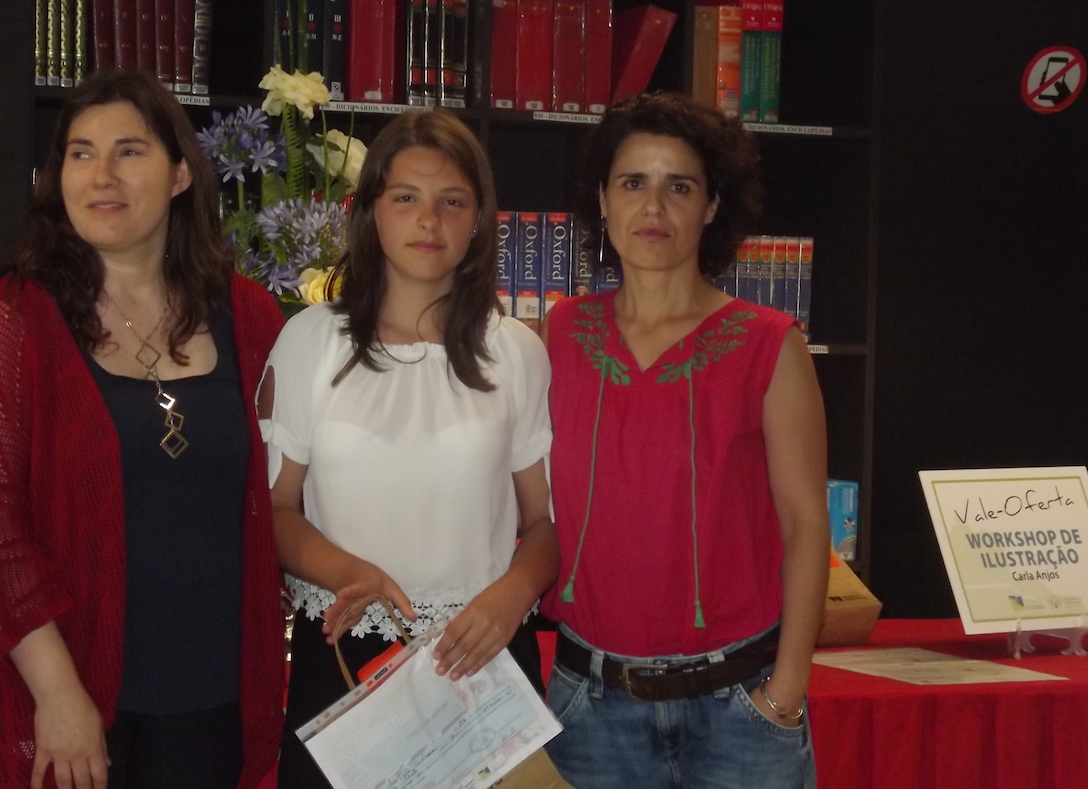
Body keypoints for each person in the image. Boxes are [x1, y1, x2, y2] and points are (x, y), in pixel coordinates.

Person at [0, 69, 285, 789]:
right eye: (80, 153)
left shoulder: (250, 317)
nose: (101, 175)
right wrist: (58, 692)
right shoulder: (12, 319)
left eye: (129, 151)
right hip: (78, 706)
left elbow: (287, 494)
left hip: (218, 706)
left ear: (180, 174)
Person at [258, 109, 558, 789]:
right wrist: (347, 571)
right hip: (347, 660)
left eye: (452, 201)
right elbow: (275, 511)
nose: (429, 221)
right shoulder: (310, 341)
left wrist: (513, 595)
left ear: (478, 220)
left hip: (482, 660)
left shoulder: (516, 350)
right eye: (406, 198)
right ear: (370, 212)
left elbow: (543, 525)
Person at [539, 91, 829, 788]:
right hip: (590, 711)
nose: (653, 207)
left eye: (679, 187)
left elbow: (805, 524)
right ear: (601, 199)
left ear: (712, 205)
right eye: (632, 183)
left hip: (741, 711)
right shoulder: (555, 336)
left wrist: (784, 695)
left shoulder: (769, 345)